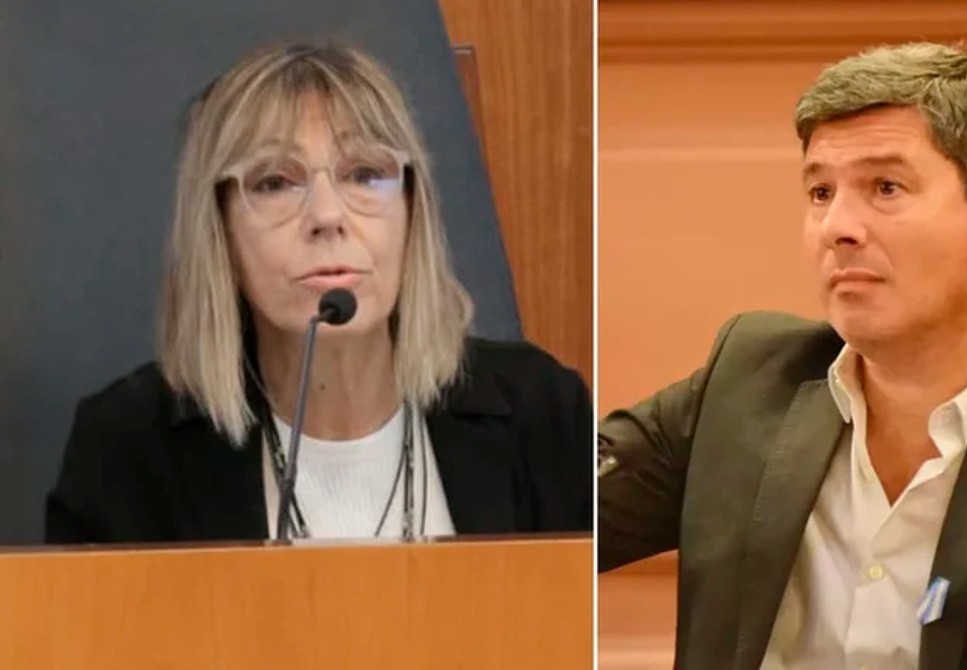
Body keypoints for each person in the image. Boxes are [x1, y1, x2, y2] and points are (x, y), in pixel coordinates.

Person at [598, 42, 967, 669]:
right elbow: (551, 499)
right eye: (820, 192)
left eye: (885, 187)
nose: (838, 227)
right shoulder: (748, 381)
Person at [46, 41, 591, 543]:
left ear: (412, 212)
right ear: (220, 230)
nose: (327, 215)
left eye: (365, 174)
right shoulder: (126, 452)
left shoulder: (541, 414)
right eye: (275, 182)